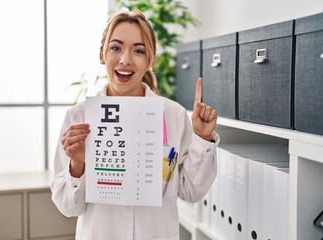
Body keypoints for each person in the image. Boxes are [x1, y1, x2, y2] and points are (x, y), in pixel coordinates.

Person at [51, 10, 220, 240]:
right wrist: (77, 164)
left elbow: (191, 191)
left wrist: (202, 139)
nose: (125, 60)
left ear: (150, 60)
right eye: (116, 48)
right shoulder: (78, 117)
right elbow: (68, 208)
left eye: (138, 51)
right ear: (102, 55)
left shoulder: (173, 115)